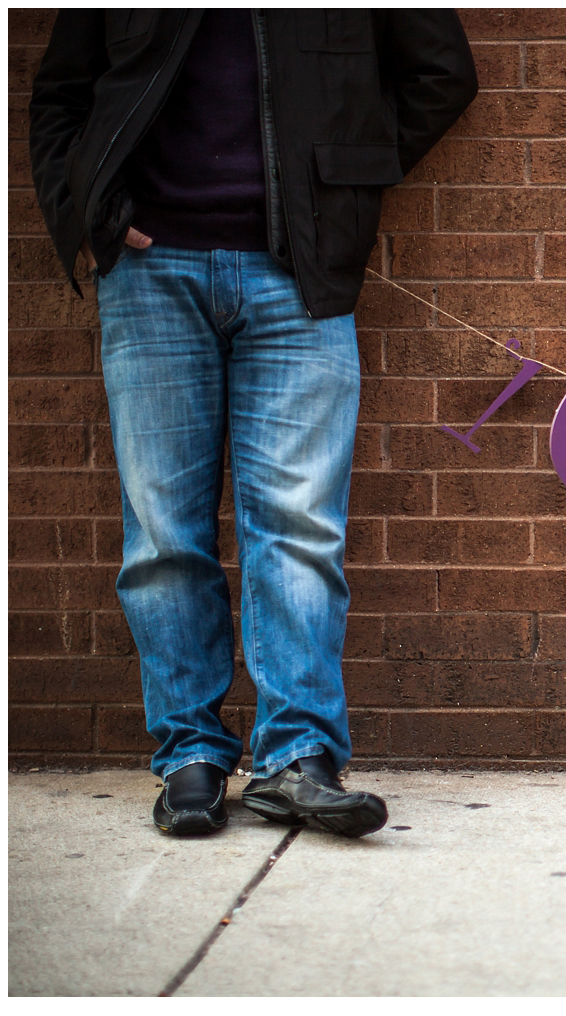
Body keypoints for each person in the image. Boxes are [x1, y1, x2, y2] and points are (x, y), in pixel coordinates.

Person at [29, 10, 477, 837]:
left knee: (300, 525)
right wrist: (89, 213)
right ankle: (189, 757)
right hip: (151, 269)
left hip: (298, 272)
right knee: (164, 535)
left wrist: (340, 184)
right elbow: (59, 96)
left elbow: (441, 75)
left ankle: (296, 757)